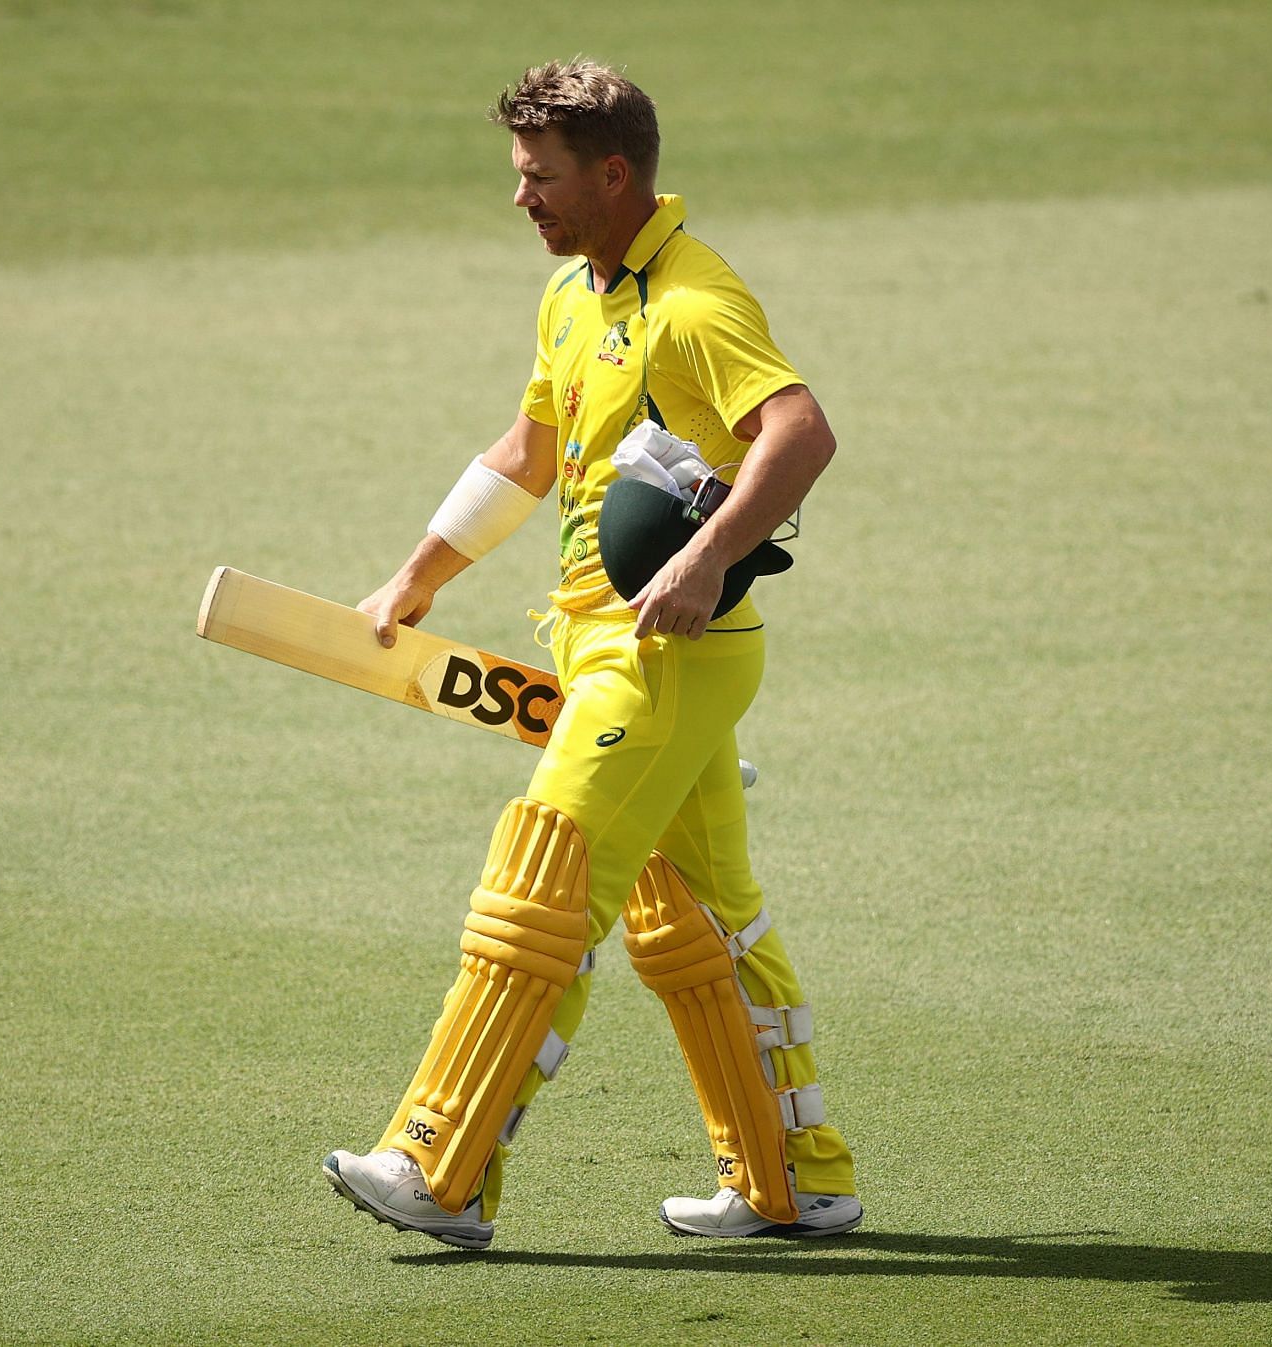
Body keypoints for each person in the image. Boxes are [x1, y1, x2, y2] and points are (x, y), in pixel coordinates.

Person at [321, 59, 859, 1249]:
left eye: (542, 178)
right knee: (697, 921)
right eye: (519, 176)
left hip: (665, 651)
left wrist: (708, 556)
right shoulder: (576, 292)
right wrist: (417, 575)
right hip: (610, 643)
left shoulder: (694, 303)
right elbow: (527, 448)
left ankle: (438, 1167)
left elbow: (801, 433)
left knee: (542, 882)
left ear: (614, 174)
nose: (522, 199)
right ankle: (792, 1180)